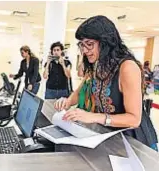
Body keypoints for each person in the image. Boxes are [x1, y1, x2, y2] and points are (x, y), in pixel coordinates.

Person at [54, 15, 158, 151]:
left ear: (105, 42)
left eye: (89, 44)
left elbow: (134, 119)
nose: (84, 51)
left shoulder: (127, 67)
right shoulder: (97, 64)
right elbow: (80, 90)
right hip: (109, 135)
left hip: (134, 140)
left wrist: (93, 117)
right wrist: (67, 102)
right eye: (82, 45)